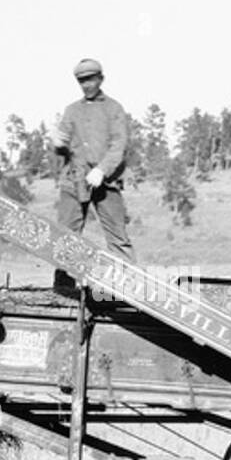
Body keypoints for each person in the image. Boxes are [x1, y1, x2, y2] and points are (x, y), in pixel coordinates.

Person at [52, 58, 134, 290]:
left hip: (106, 182)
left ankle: (128, 286)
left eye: (90, 79)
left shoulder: (114, 109)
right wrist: (58, 142)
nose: (86, 85)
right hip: (74, 179)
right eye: (81, 81)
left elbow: (119, 145)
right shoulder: (72, 110)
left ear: (101, 79)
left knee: (118, 236)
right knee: (65, 234)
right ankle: (63, 286)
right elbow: (63, 142)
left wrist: (101, 169)